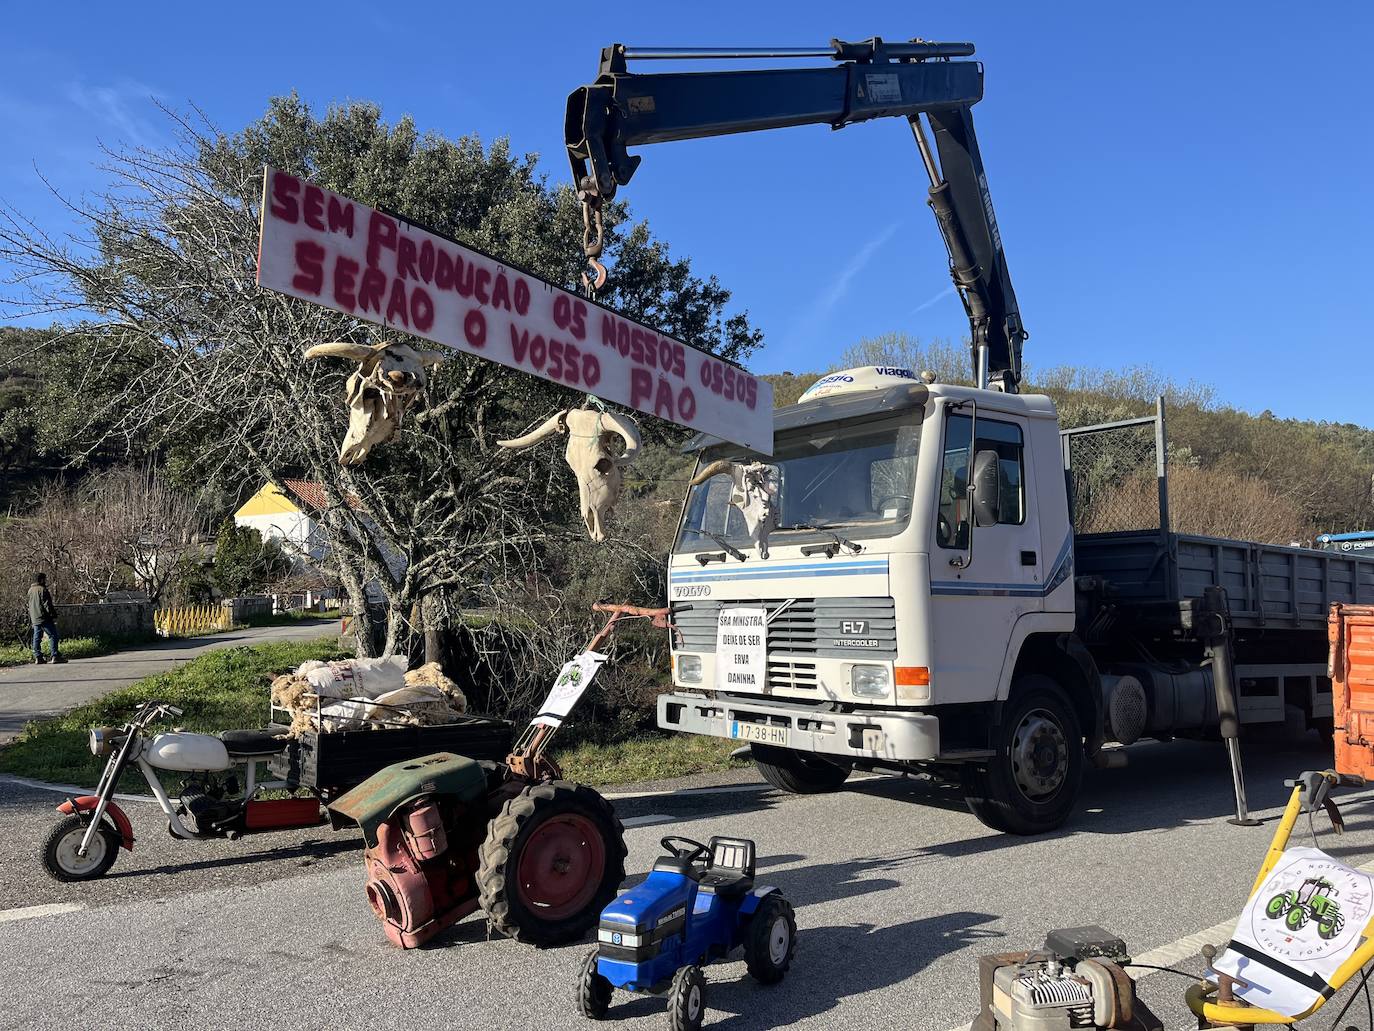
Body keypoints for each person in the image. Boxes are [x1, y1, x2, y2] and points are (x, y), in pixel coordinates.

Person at [28, 572, 65, 665]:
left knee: (37, 637)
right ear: (41, 580)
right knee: (53, 636)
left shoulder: (30, 590)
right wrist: (53, 615)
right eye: (44, 579)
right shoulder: (42, 590)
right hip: (44, 617)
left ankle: (38, 656)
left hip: (35, 618)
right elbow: (47, 605)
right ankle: (55, 656)